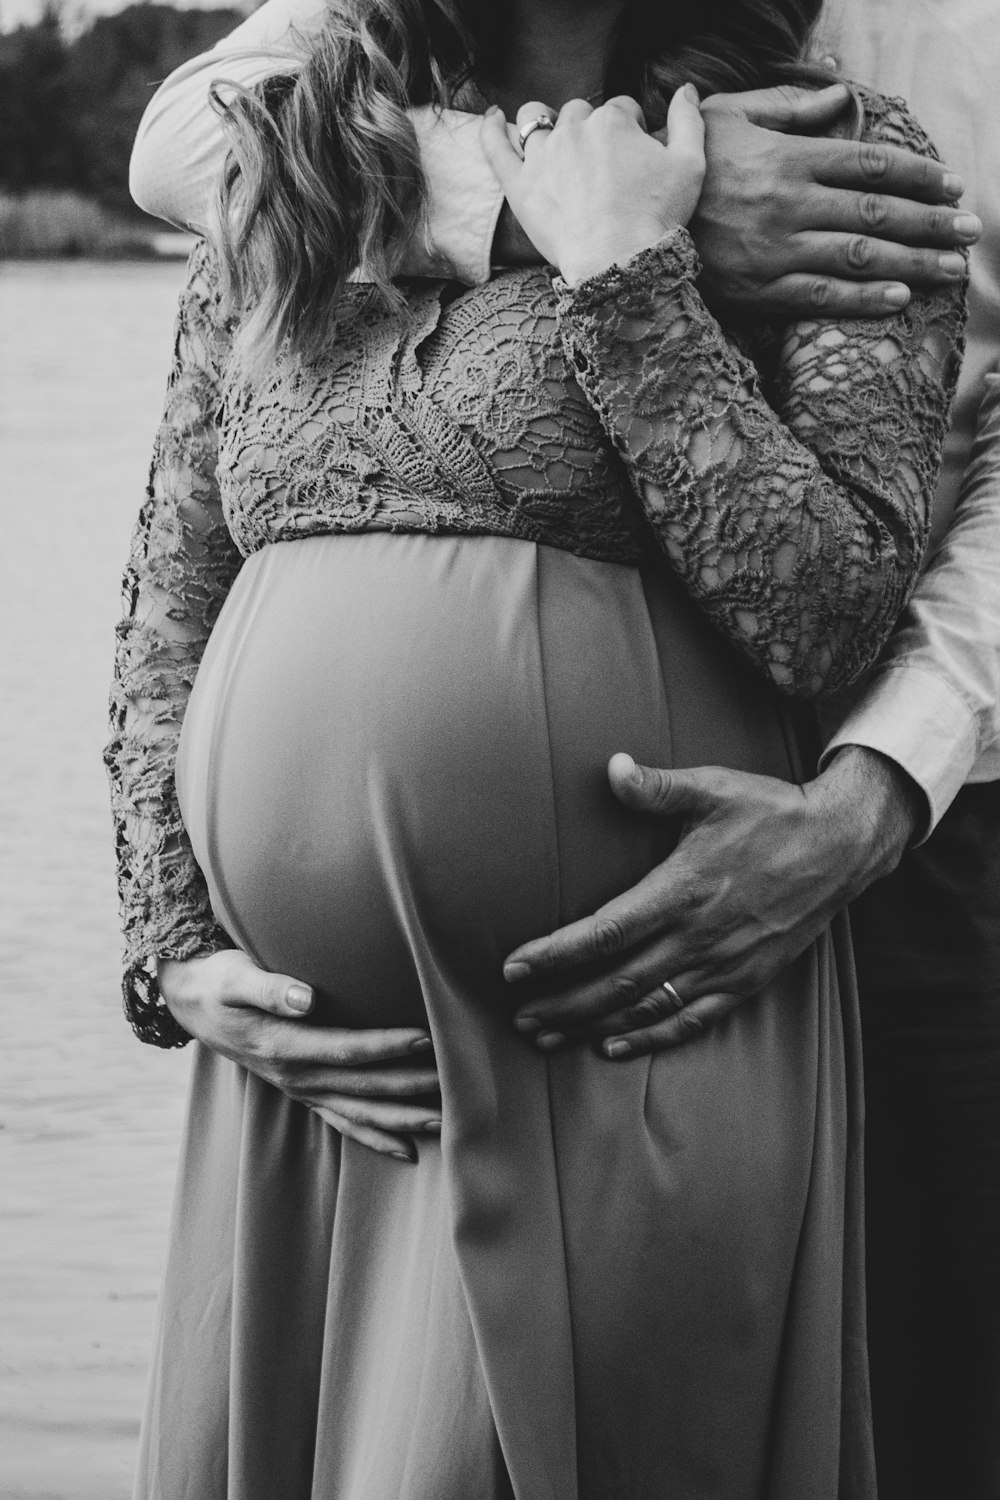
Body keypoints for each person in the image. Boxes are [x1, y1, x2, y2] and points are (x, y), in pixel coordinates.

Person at [110, 3, 965, 1497]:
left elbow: (828, 616)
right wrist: (176, 948)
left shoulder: (834, 156)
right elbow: (173, 584)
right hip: (314, 1087)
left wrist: (631, 272)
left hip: (626, 1037)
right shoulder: (305, 151)